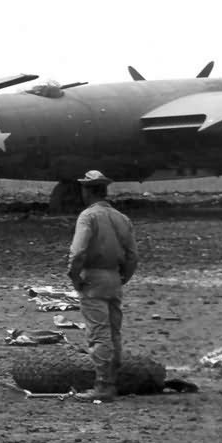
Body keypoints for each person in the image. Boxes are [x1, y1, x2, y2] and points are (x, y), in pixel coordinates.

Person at [67, 170, 138, 403]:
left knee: (98, 335)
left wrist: (74, 275)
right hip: (114, 279)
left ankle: (103, 385)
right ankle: (112, 380)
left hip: (93, 279)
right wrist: (122, 277)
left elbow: (78, 251)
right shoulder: (121, 218)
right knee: (114, 332)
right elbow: (132, 256)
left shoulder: (88, 217)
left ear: (88, 191)